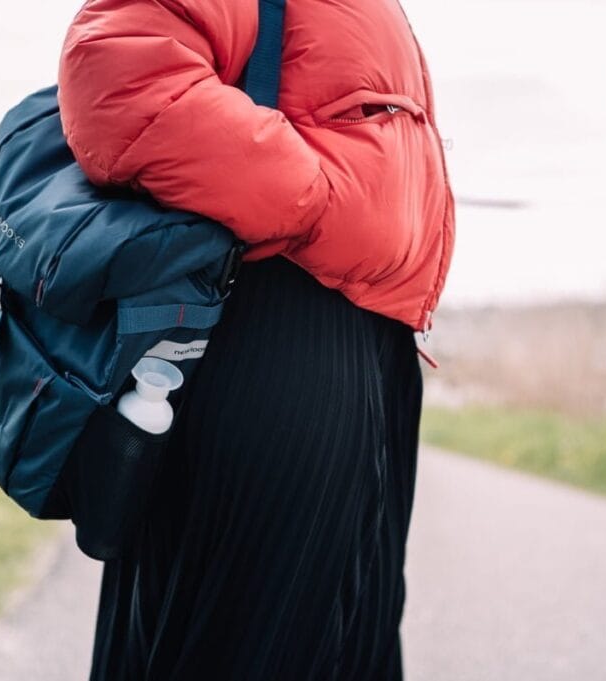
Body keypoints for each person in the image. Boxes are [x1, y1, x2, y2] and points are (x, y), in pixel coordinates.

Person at [56, 0, 455, 678]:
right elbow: (120, 73)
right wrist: (320, 202)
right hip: (277, 322)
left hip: (372, 334)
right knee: (248, 642)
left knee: (352, 635)